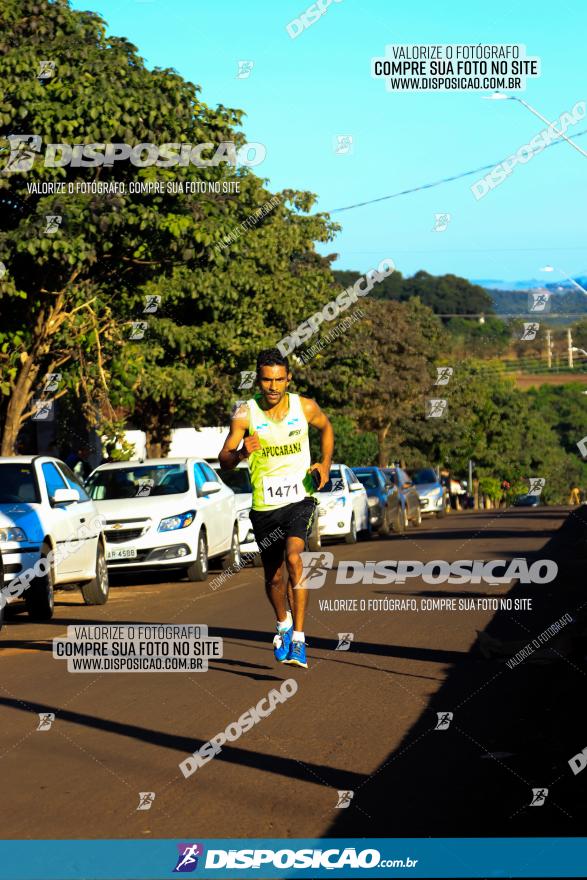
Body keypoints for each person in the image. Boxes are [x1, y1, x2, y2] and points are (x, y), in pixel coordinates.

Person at [219, 348, 333, 669]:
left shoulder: (304, 407)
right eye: (267, 380)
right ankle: (282, 623)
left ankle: (298, 639)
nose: (273, 386)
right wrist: (241, 453)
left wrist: (325, 464)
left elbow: (326, 427)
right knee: (274, 577)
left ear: (288, 380)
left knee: (296, 558)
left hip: (301, 498)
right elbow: (223, 459)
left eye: (279, 380)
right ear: (258, 380)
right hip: (265, 506)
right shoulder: (245, 414)